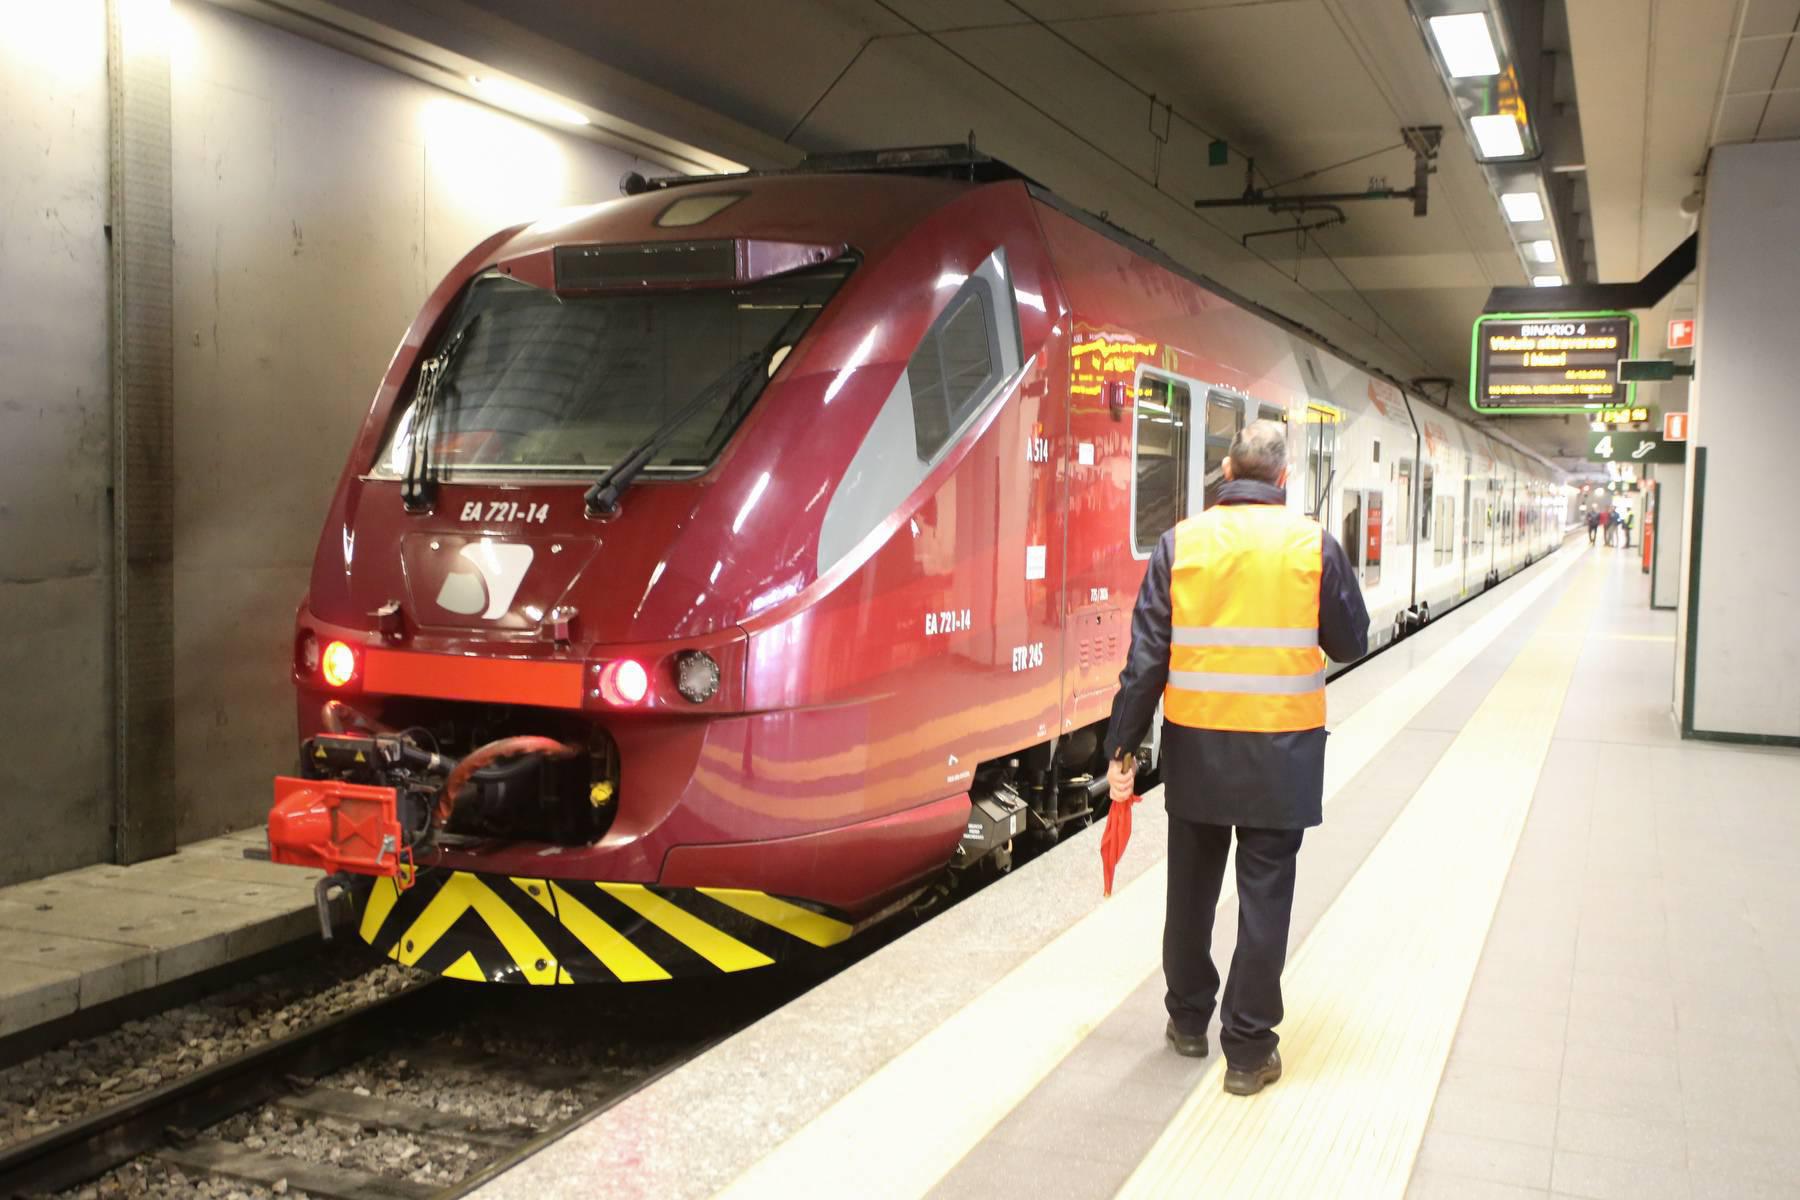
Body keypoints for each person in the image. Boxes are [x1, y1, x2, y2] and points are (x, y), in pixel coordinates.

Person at [1104, 421, 1369, 1097]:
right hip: (1281, 759)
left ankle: (1189, 1022)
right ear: (1282, 479)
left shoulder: (1180, 544)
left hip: (1199, 752)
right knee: (1264, 903)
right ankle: (1248, 1053)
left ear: (1226, 470)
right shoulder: (1314, 546)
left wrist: (1122, 747)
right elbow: (1351, 643)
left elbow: (1144, 663)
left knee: (1189, 895)